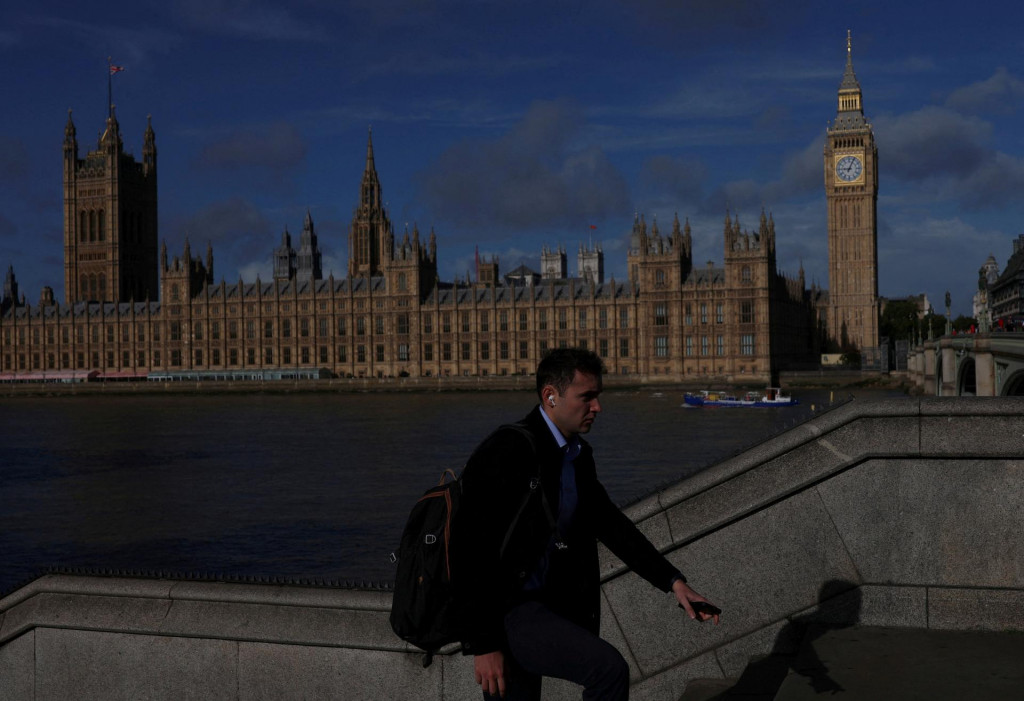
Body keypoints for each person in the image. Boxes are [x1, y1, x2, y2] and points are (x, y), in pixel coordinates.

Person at [451, 348, 718, 700]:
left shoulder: (577, 454)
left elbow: (611, 525)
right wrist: (483, 645)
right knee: (608, 670)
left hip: (546, 609)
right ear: (550, 396)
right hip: (509, 612)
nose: (597, 407)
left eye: (598, 396)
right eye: (587, 397)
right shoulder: (507, 450)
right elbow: (468, 546)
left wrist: (673, 582)